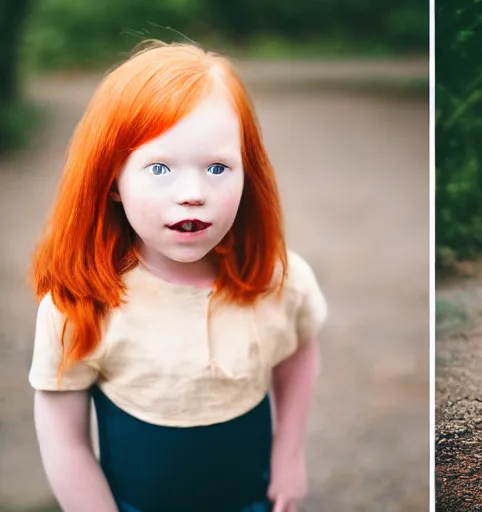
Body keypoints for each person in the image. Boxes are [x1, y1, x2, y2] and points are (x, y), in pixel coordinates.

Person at [28, 40, 328, 512]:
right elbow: (63, 438)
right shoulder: (82, 303)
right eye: (160, 168)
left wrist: (290, 455)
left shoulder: (276, 280)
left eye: (217, 167)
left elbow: (298, 352)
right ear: (112, 183)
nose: (192, 193)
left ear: (248, 174)